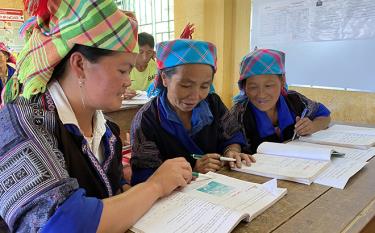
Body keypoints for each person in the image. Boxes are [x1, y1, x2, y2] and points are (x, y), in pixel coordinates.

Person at [0, 1, 192, 232]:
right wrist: (155, 185)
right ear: (80, 64)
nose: (128, 81)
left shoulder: (107, 132)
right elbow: (61, 224)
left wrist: (126, 191)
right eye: (122, 70)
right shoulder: (23, 123)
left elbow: (111, 190)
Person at [130, 39, 255, 185]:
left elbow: (231, 135)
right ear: (164, 78)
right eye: (185, 85)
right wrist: (193, 171)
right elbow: (145, 179)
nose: (196, 96)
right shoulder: (147, 119)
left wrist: (231, 151)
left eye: (204, 86)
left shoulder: (213, 103)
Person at [230, 48, 331, 154]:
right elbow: (229, 142)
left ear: (282, 81)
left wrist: (313, 126)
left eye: (268, 85)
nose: (261, 94)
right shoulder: (239, 114)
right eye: (253, 87)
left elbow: (325, 116)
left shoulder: (295, 100)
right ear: (244, 87)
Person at [123, 32, 157, 99]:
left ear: (153, 52)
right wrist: (123, 92)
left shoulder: (156, 66)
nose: (145, 57)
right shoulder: (125, 67)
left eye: (149, 52)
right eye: (140, 52)